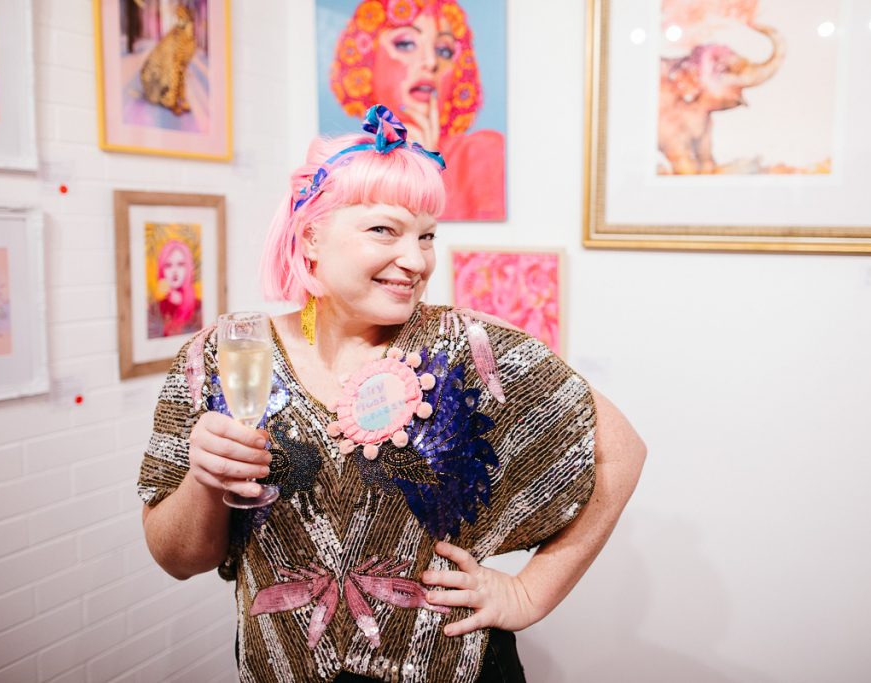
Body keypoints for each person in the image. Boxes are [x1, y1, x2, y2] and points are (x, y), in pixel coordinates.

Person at [137, 105, 645, 682]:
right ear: (311, 236)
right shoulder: (224, 356)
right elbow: (177, 559)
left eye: (426, 236)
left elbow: (621, 451)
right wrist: (205, 480)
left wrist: (530, 593)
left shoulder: (467, 348)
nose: (416, 260)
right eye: (384, 229)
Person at [330, 0, 505, 221]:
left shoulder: (487, 155)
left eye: (444, 50)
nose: (431, 62)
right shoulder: (349, 166)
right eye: (406, 44)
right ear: (367, 59)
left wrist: (428, 165)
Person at [148, 238, 202, 338]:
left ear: (189, 268)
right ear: (162, 270)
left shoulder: (200, 308)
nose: (175, 271)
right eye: (168, 265)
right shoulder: (153, 310)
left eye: (180, 264)